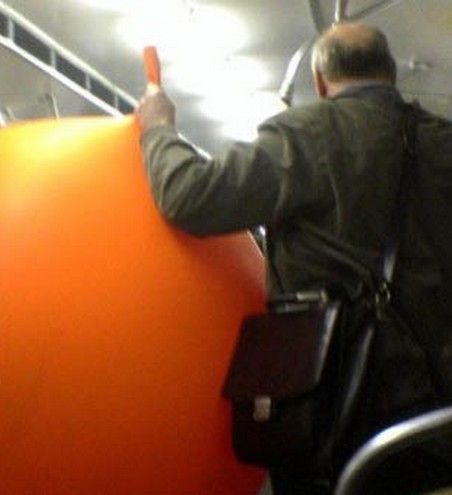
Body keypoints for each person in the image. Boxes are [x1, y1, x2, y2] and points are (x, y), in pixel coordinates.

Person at [137, 23, 452, 494]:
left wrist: (159, 130)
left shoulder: (303, 136)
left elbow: (190, 196)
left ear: (321, 82)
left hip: (330, 410)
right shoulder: (442, 143)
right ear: (390, 72)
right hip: (435, 412)